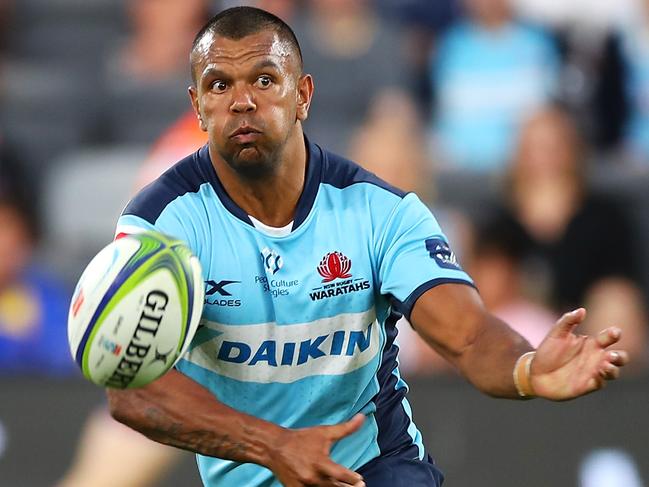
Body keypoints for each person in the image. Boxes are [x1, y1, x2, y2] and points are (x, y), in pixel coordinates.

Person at [108, 7, 628, 487]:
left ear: (303, 95)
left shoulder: (379, 211)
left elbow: (467, 336)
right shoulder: (160, 226)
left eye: (265, 80)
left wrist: (527, 368)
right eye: (219, 85)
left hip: (373, 468)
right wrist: (274, 446)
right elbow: (130, 389)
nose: (243, 101)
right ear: (198, 106)